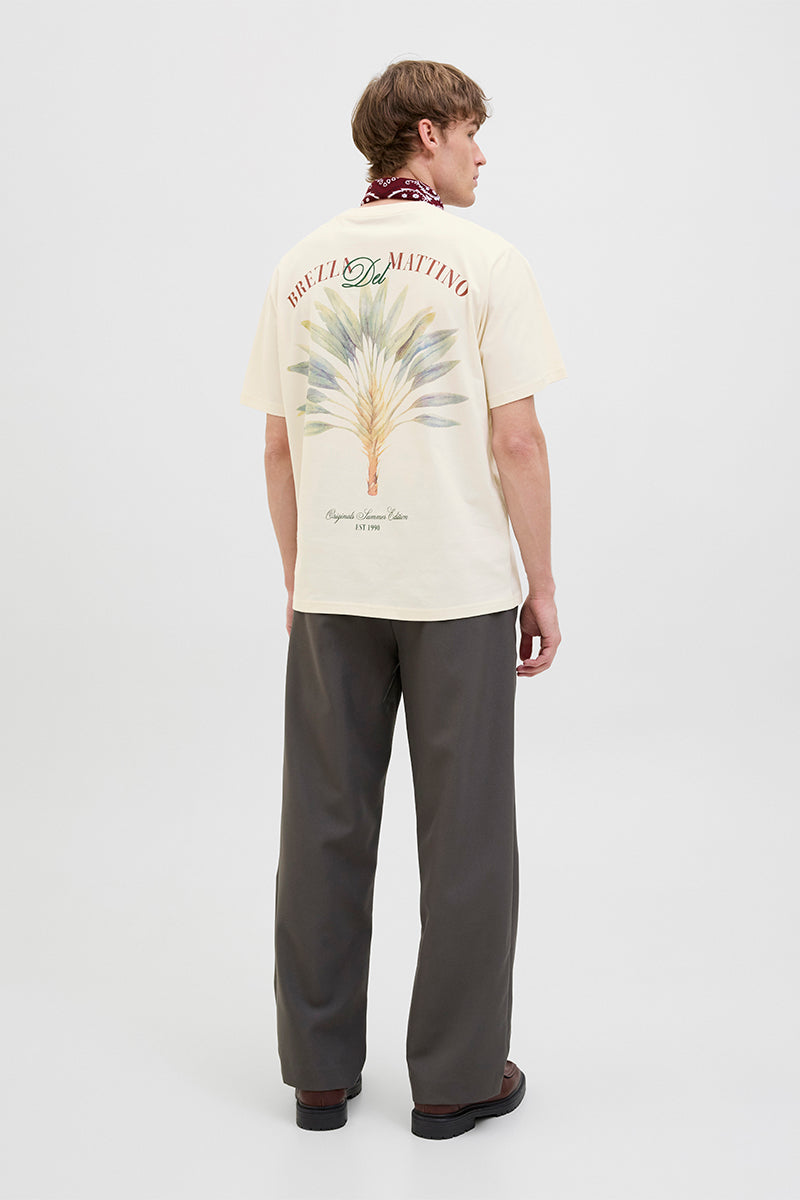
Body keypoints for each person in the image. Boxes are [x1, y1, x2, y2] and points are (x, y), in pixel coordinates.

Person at [239, 59, 567, 1139]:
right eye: (472, 132)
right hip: (456, 587)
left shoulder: (298, 265)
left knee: (322, 823)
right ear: (428, 133)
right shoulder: (486, 261)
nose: (482, 153)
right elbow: (517, 441)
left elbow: (279, 448)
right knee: (466, 833)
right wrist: (540, 583)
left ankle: (317, 1074)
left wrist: (303, 574)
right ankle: (454, 1080)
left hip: (335, 584)